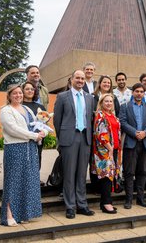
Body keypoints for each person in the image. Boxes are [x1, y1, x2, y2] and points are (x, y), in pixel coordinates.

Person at [0, 84, 44, 226]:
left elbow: (36, 124)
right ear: (9, 96)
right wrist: (34, 135)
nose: (18, 95)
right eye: (15, 93)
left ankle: (23, 213)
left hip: (29, 149)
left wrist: (43, 131)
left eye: (20, 93)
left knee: (27, 181)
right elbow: (13, 129)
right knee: (13, 182)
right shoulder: (6, 110)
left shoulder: (27, 109)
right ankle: (8, 215)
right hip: (15, 148)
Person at [53, 70, 95, 219]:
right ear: (71, 79)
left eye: (82, 78)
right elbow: (57, 120)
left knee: (82, 174)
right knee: (69, 173)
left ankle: (82, 205)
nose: (80, 80)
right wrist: (62, 137)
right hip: (69, 138)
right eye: (77, 78)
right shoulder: (63, 96)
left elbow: (90, 118)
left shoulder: (90, 98)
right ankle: (70, 206)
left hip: (85, 138)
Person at [119, 83, 146, 209]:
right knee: (129, 172)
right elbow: (122, 122)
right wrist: (135, 133)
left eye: (141, 91)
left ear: (144, 94)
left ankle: (141, 199)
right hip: (131, 142)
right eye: (137, 91)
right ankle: (129, 199)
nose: (139, 93)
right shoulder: (125, 107)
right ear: (133, 92)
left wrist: (145, 133)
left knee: (143, 172)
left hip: (145, 143)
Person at [91, 94, 121, 214]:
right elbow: (101, 134)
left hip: (114, 150)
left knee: (111, 176)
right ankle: (106, 203)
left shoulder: (113, 116)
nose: (108, 103)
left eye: (110, 101)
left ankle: (106, 202)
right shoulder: (100, 116)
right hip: (104, 151)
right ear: (101, 102)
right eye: (106, 101)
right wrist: (109, 148)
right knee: (106, 177)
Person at [22, 81, 46, 170]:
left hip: (38, 138)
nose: (30, 91)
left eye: (32, 89)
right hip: (24, 137)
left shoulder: (40, 106)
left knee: (37, 156)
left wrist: (44, 132)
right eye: (27, 89)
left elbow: (45, 122)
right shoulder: (19, 106)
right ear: (23, 91)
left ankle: (36, 179)